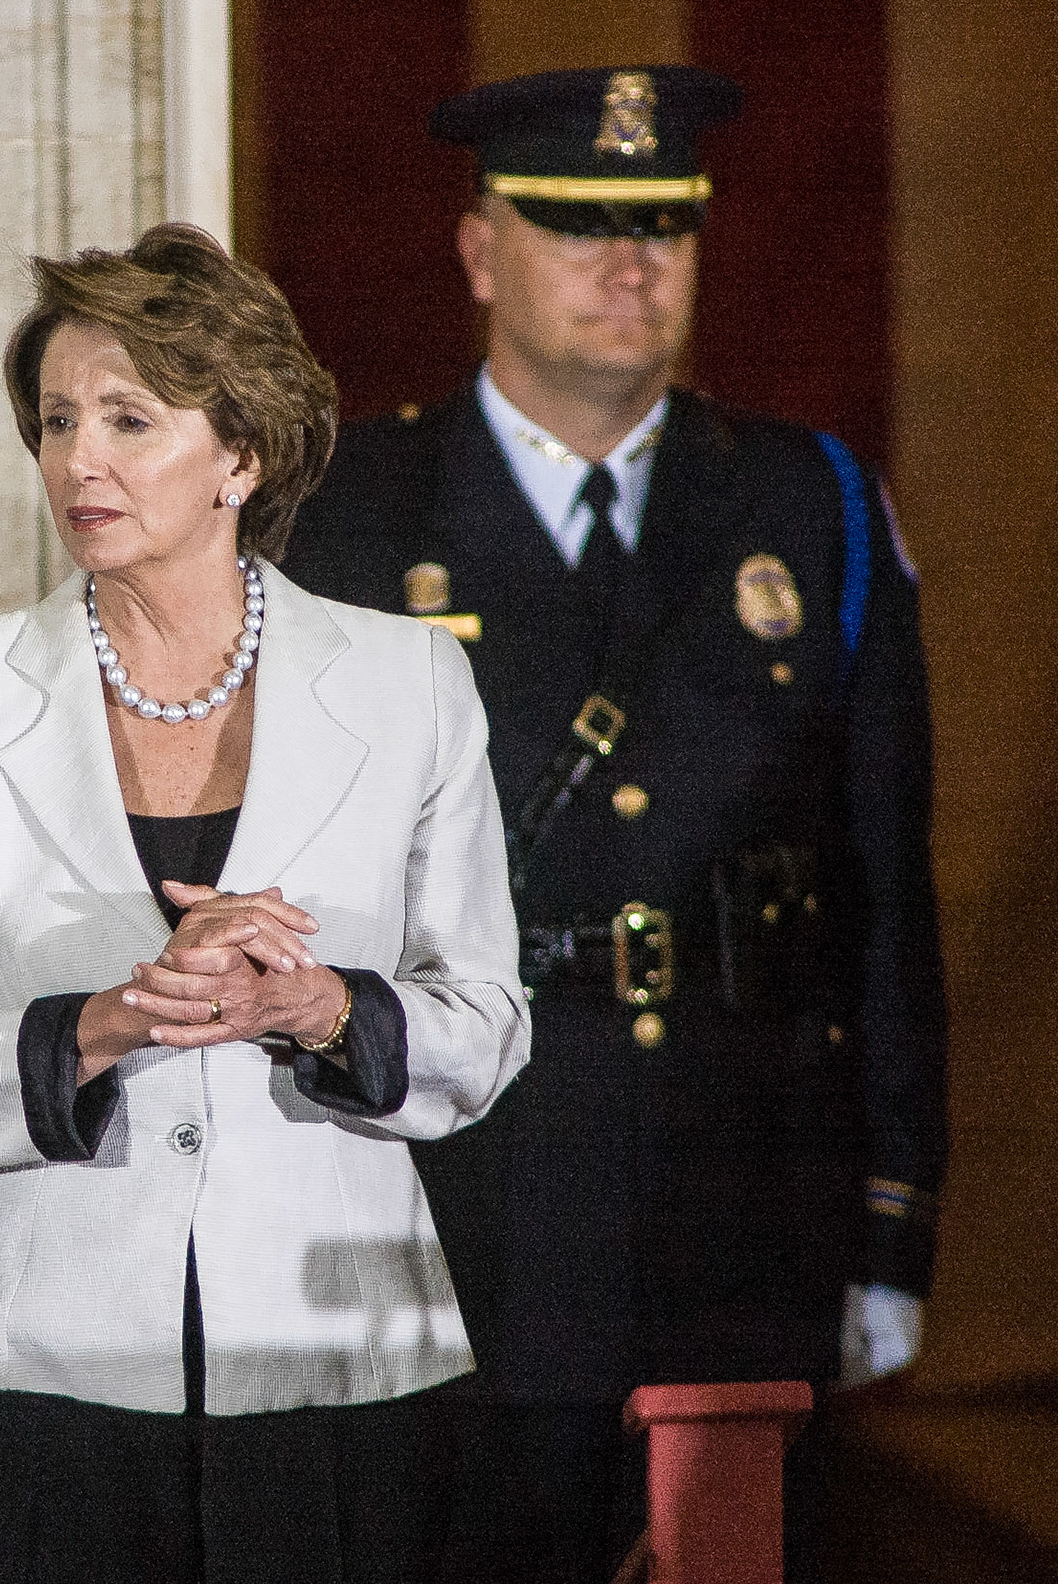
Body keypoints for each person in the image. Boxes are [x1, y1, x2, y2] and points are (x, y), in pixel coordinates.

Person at [284, 66, 948, 1582]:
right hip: (463, 1193)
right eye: (578, 223)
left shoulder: (812, 502)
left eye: (663, 222)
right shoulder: (356, 515)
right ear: (477, 253)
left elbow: (882, 890)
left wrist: (895, 1216)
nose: (629, 260)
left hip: (747, 1188)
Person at [0, 223, 530, 1583]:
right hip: (50, 1370)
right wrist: (107, 1020)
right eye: (54, 421)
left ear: (241, 454)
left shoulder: (407, 685)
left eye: (128, 419)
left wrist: (325, 1005)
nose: (77, 460)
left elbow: (488, 1024)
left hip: (339, 1360)